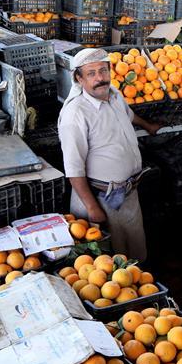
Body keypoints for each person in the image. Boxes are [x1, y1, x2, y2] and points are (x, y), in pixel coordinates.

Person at [57, 48, 161, 261]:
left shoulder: (114, 95)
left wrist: (148, 125)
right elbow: (73, 167)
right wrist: (92, 207)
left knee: (135, 255)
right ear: (79, 79)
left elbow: (128, 115)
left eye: (103, 71)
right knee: (109, 265)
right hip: (101, 199)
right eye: (91, 73)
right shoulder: (75, 114)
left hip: (128, 194)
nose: (99, 78)